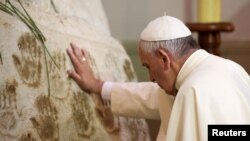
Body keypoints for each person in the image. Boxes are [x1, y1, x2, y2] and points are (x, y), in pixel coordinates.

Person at [66, 15, 250, 141]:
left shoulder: (192, 90)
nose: (151, 77)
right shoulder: (231, 68)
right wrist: (96, 85)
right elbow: (148, 95)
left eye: (148, 66)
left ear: (164, 58)